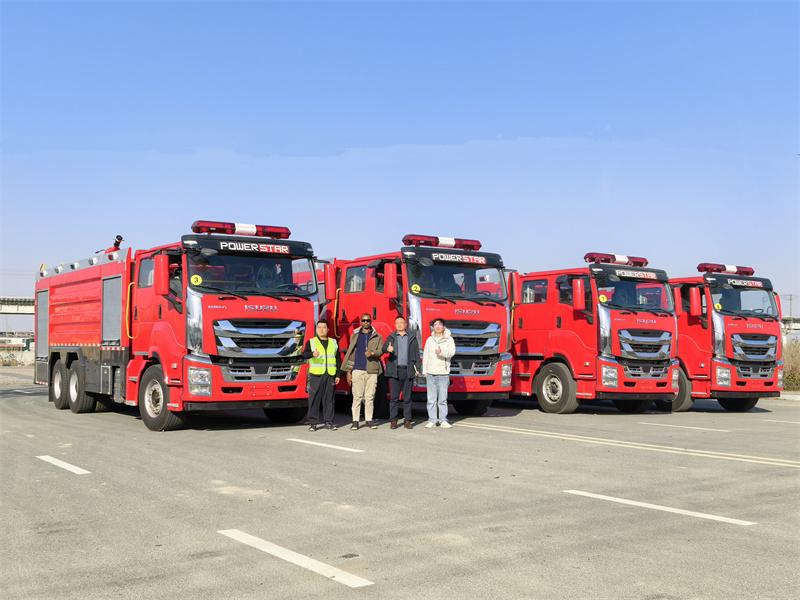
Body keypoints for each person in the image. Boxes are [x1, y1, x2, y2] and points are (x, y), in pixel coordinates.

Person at [341, 313, 384, 430]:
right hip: (357, 370)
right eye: (363, 320)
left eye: (368, 320)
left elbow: (381, 351)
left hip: (372, 371)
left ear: (371, 322)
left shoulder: (378, 336)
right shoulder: (355, 335)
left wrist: (372, 353)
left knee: (370, 397)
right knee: (357, 396)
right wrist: (349, 371)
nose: (365, 322)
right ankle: (355, 421)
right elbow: (351, 354)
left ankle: (369, 420)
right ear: (360, 322)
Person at [301, 321, 340, 431]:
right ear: (316, 329)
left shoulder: (333, 342)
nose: (321, 329)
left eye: (324, 327)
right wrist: (312, 354)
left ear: (328, 329)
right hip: (316, 375)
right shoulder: (311, 342)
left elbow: (337, 359)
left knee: (329, 399)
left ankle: (329, 422)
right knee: (314, 399)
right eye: (319, 327)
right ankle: (313, 423)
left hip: (330, 374)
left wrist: (338, 375)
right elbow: (304, 355)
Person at [382, 316, 420, 430]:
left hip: (408, 370)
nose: (399, 325)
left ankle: (407, 420)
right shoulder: (391, 337)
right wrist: (387, 349)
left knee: (407, 398)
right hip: (395, 371)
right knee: (394, 398)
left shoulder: (412, 338)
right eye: (397, 323)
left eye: (401, 322)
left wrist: (418, 368)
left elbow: (417, 355)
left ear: (405, 324)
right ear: (395, 325)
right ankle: (393, 420)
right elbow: (383, 348)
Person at [421, 318, 456, 428]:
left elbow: (452, 352)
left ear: (443, 326)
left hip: (443, 373)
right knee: (431, 399)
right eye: (435, 324)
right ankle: (432, 420)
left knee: (442, 399)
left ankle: (443, 420)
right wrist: (425, 371)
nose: (437, 326)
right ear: (433, 327)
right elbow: (426, 356)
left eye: (440, 324)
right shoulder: (429, 340)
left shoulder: (449, 339)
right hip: (431, 373)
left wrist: (441, 352)